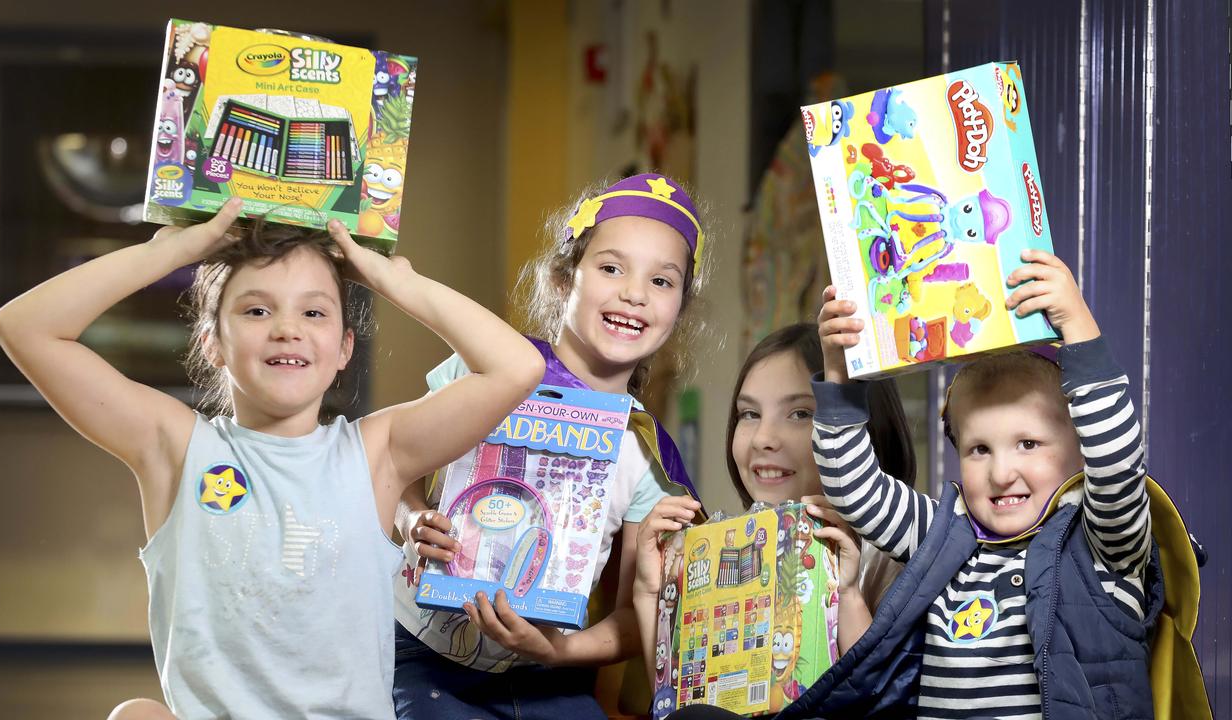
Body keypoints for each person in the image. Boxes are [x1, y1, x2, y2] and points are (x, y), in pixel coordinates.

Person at [0, 199, 545, 720]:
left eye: (314, 311)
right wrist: (170, 254)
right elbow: (23, 327)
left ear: (344, 348)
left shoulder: (377, 454)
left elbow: (515, 367)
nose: (288, 327)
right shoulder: (177, 447)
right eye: (257, 309)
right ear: (213, 342)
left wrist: (389, 279)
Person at [787, 248, 1181, 718]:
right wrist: (839, 374)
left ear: (1082, 447)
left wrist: (1078, 327)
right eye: (979, 449)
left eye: (1029, 444)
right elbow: (853, 489)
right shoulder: (943, 535)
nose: (1000, 472)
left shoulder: (1103, 541)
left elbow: (1117, 462)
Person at [391, 173, 709, 719]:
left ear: (680, 306)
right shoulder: (488, 370)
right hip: (424, 658)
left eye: (662, 282)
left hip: (548, 676)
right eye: (611, 268)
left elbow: (638, 618)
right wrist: (412, 520)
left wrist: (556, 650)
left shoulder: (648, 455)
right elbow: (396, 467)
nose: (634, 293)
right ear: (564, 279)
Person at [633, 322, 916, 713]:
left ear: (858, 427)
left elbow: (879, 702)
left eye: (800, 413)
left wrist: (847, 594)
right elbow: (674, 702)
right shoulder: (724, 549)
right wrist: (651, 591)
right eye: (749, 414)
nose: (764, 437)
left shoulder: (886, 559)